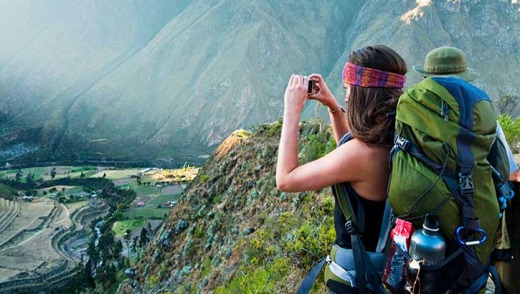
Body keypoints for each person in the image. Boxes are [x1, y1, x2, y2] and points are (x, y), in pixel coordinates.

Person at [276, 44, 407, 252]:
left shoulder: (362, 154)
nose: (346, 97)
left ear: (363, 94)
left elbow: (286, 179)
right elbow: (347, 147)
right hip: (384, 259)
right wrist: (333, 106)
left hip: (360, 272)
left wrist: (291, 110)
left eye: (348, 89)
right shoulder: (396, 134)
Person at [412, 46, 517, 293]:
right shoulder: (481, 118)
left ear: (426, 80)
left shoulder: (410, 117)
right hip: (470, 231)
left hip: (420, 227)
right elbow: (507, 172)